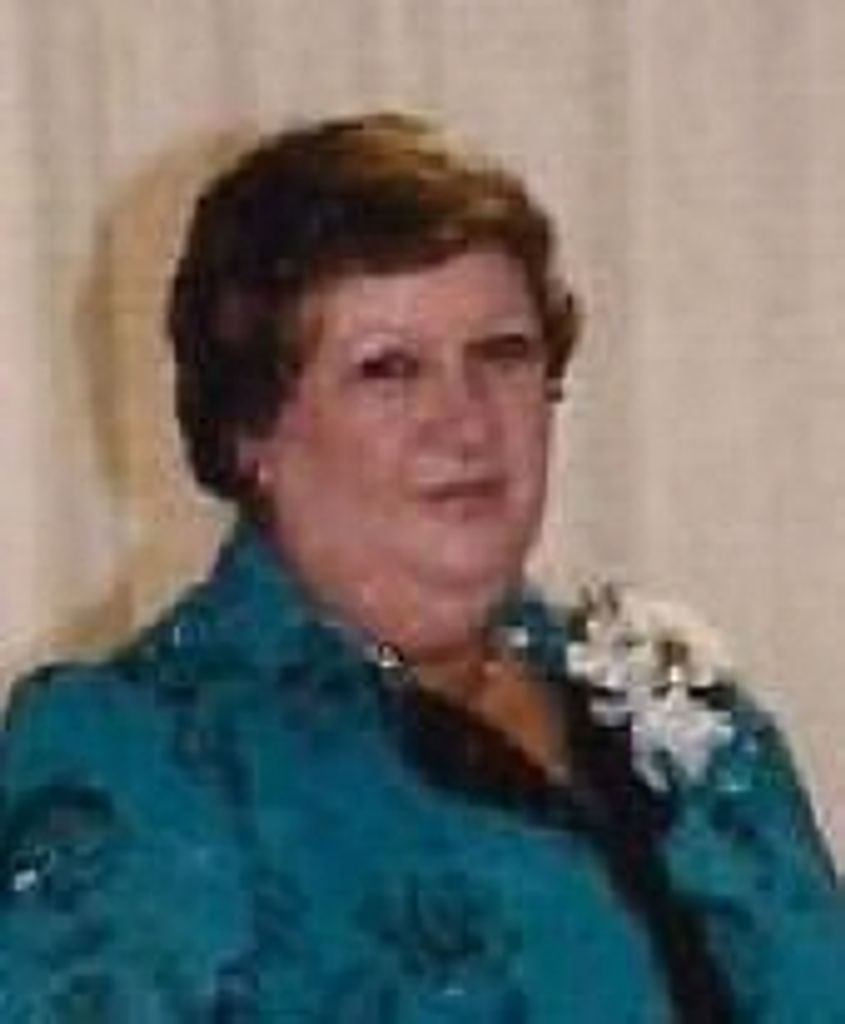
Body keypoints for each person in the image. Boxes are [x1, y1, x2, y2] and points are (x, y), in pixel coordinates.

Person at [0, 112, 842, 1022]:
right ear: (251, 428)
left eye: (502, 355)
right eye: (389, 370)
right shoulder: (145, 750)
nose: (466, 420)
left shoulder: (681, 713)